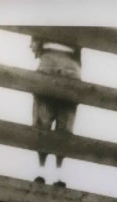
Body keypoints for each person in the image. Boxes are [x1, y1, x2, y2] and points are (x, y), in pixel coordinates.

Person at [30, 35, 83, 186]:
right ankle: (59, 175)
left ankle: (40, 172)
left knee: (42, 122)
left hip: (48, 59)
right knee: (65, 124)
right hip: (71, 64)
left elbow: (34, 45)